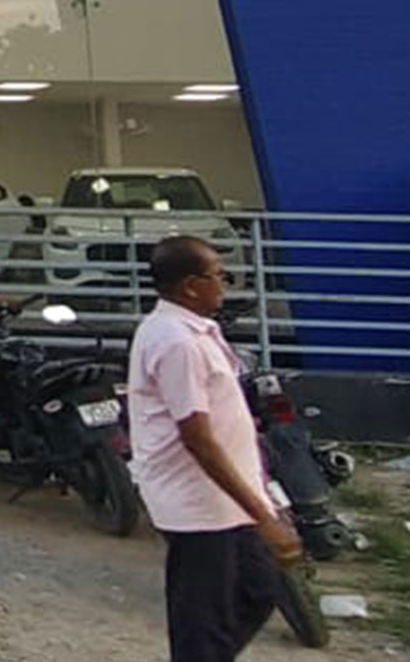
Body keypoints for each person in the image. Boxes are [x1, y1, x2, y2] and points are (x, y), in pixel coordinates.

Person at [128, 235, 303, 662]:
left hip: (228, 501)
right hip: (199, 504)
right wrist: (263, 516)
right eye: (217, 276)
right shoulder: (178, 342)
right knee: (202, 621)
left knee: (259, 590)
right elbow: (198, 439)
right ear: (191, 286)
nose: (224, 283)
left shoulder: (195, 331)